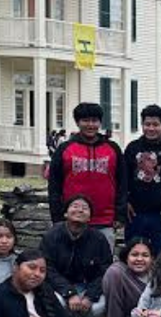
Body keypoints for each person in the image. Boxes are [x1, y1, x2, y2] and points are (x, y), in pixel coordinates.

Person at [48, 102, 126, 246]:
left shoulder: (113, 149)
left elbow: (122, 183)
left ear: (100, 122)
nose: (90, 125)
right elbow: (54, 186)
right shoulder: (65, 149)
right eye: (85, 120)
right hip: (72, 219)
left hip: (105, 220)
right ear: (78, 122)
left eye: (94, 121)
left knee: (103, 264)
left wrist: (120, 214)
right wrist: (57, 217)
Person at [39, 194, 113, 317]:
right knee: (57, 304)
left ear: (90, 217)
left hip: (87, 288)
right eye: (75, 206)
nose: (79, 210)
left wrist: (90, 296)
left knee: (100, 306)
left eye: (84, 208)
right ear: (66, 213)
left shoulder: (99, 239)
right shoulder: (51, 236)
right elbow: (47, 268)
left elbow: (105, 271)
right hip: (60, 289)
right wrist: (69, 293)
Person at [123, 104, 161, 255]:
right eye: (147, 124)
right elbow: (123, 177)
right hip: (135, 213)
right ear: (142, 125)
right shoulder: (132, 148)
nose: (151, 128)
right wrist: (125, 201)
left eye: (156, 125)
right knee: (135, 256)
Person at [102, 238, 154, 317]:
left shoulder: (157, 274)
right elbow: (114, 307)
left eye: (145, 255)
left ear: (152, 258)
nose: (139, 259)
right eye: (134, 255)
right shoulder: (117, 273)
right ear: (126, 257)